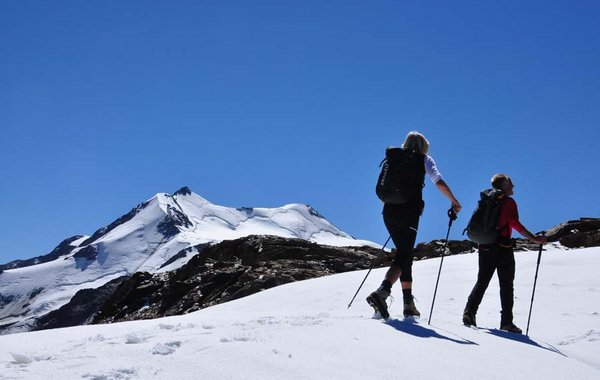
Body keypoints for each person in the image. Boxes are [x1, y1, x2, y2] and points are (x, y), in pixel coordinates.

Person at [367, 131, 462, 319]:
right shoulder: (424, 159)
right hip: (409, 213)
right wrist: (454, 201)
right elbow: (438, 181)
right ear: (423, 146)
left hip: (388, 211)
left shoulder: (393, 159)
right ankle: (382, 293)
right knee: (405, 255)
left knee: (405, 254)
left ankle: (408, 304)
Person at [462, 174, 547, 333]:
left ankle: (469, 312)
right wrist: (534, 238)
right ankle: (506, 322)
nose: (513, 186)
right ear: (505, 185)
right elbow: (515, 224)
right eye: (510, 183)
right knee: (506, 285)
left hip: (485, 246)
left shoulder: (486, 201)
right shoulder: (508, 202)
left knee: (482, 281)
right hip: (502, 246)